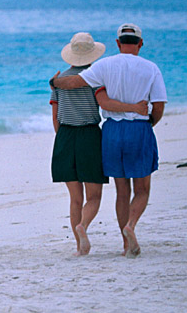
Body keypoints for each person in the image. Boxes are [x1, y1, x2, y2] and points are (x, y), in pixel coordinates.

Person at [51, 24, 167, 258]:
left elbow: (66, 94)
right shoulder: (148, 68)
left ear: (117, 43)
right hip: (124, 130)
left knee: (117, 192)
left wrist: (54, 83)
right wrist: (146, 121)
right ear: (140, 44)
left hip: (96, 133)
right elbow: (158, 106)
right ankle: (130, 228)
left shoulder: (102, 67)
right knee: (140, 189)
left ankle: (104, 244)